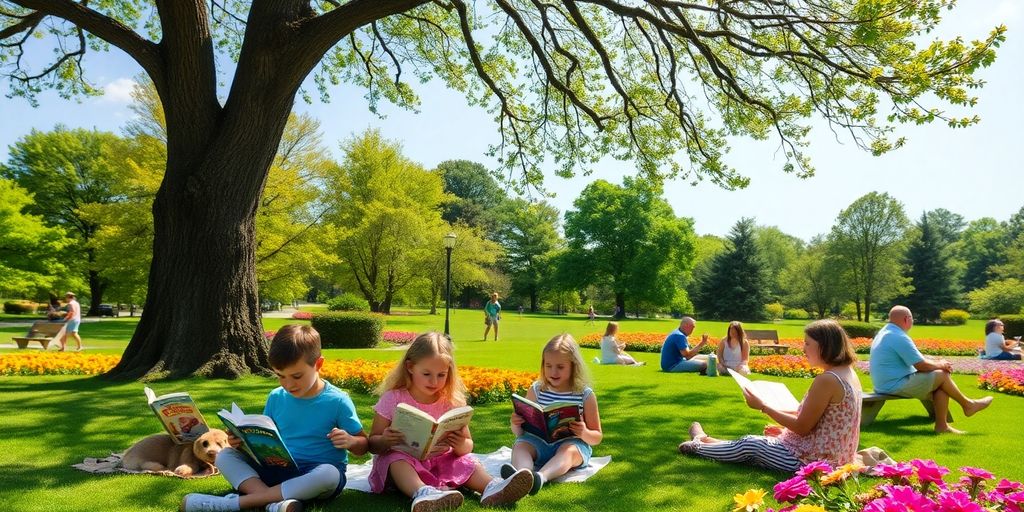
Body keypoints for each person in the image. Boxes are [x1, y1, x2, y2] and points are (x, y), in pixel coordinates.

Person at [181, 325, 368, 512]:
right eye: (280, 376)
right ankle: (274, 503)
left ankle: (234, 504)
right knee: (225, 455)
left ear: (318, 365)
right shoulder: (277, 397)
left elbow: (363, 446)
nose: (288, 384)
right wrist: (241, 442)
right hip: (277, 470)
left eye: (296, 376)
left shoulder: (337, 400)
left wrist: (351, 441)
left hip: (314, 475)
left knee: (330, 474)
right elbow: (264, 435)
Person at [368, 332, 534, 511]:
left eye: (441, 375)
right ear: (410, 367)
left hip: (440, 461)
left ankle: (492, 487)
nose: (434, 381)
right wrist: (384, 441)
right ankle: (423, 492)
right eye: (426, 374)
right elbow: (372, 443)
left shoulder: (451, 401)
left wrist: (460, 444)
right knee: (395, 458)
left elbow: (468, 445)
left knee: (466, 460)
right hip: (405, 465)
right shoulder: (393, 398)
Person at [678, 319, 862, 472]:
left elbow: (803, 427)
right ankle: (706, 439)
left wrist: (763, 407)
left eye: (807, 343)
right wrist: (784, 428)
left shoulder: (828, 380)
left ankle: (697, 446)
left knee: (750, 444)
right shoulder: (848, 373)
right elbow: (821, 420)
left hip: (810, 463)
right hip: (834, 457)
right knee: (756, 445)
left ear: (825, 345)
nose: (803, 349)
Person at [504, 333, 603, 495]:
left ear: (573, 366)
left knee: (569, 451)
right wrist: (515, 424)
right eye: (548, 366)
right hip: (538, 443)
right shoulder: (537, 389)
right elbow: (520, 433)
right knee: (521, 445)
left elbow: (597, 437)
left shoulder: (585, 394)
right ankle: (523, 475)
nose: (553, 372)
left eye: (560, 367)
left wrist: (584, 432)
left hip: (571, 446)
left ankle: (540, 478)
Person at [870, 305, 993, 434]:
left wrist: (935, 361)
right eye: (912, 318)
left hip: (885, 383)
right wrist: (941, 364)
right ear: (907, 319)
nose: (913, 321)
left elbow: (913, 359)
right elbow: (921, 365)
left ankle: (942, 426)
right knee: (942, 374)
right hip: (894, 384)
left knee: (941, 384)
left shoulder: (887, 332)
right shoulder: (898, 336)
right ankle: (968, 405)